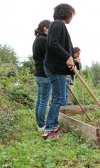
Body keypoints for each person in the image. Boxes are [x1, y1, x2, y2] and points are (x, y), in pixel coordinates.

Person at [42, 3, 76, 139]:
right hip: (55, 68)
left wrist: (70, 59)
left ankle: (54, 126)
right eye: (71, 15)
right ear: (66, 13)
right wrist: (68, 56)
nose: (72, 18)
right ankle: (48, 130)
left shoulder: (58, 25)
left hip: (58, 68)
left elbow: (57, 44)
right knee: (58, 98)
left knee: (59, 98)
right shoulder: (57, 24)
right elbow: (53, 44)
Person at [32, 20, 52, 131]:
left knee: (40, 100)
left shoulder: (37, 39)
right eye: (51, 29)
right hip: (44, 75)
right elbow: (49, 58)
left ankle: (39, 124)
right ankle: (41, 125)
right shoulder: (44, 40)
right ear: (45, 28)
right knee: (44, 101)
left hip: (38, 74)